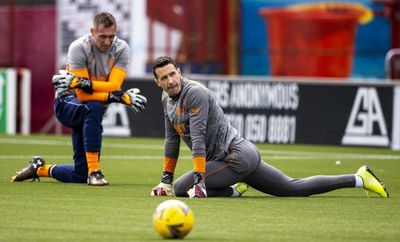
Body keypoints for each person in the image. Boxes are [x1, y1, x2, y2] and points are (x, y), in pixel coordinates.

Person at [150, 56, 389, 198]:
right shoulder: (165, 99)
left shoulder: (195, 94)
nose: (171, 81)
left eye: (173, 74)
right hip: (227, 162)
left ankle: (231, 188)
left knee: (184, 188)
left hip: (237, 157)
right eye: (164, 78)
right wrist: (164, 181)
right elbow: (171, 140)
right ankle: (358, 178)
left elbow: (199, 138)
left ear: (179, 72)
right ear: (157, 82)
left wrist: (200, 181)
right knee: (294, 189)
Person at [11, 12, 147, 186]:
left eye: (111, 37)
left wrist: (86, 83)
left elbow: (113, 86)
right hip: (66, 102)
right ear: (92, 31)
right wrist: (118, 98)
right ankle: (95, 172)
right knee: (93, 106)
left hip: (91, 109)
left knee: (79, 175)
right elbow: (82, 96)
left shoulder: (122, 49)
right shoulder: (79, 47)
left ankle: (39, 168)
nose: (107, 42)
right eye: (102, 37)